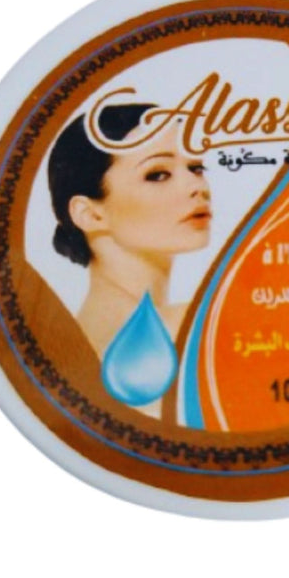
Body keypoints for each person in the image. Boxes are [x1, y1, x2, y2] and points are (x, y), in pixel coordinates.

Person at [47, 103, 211, 415]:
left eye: (196, 168)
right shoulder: (190, 327)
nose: (197, 186)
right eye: (158, 174)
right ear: (90, 214)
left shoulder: (75, 342)